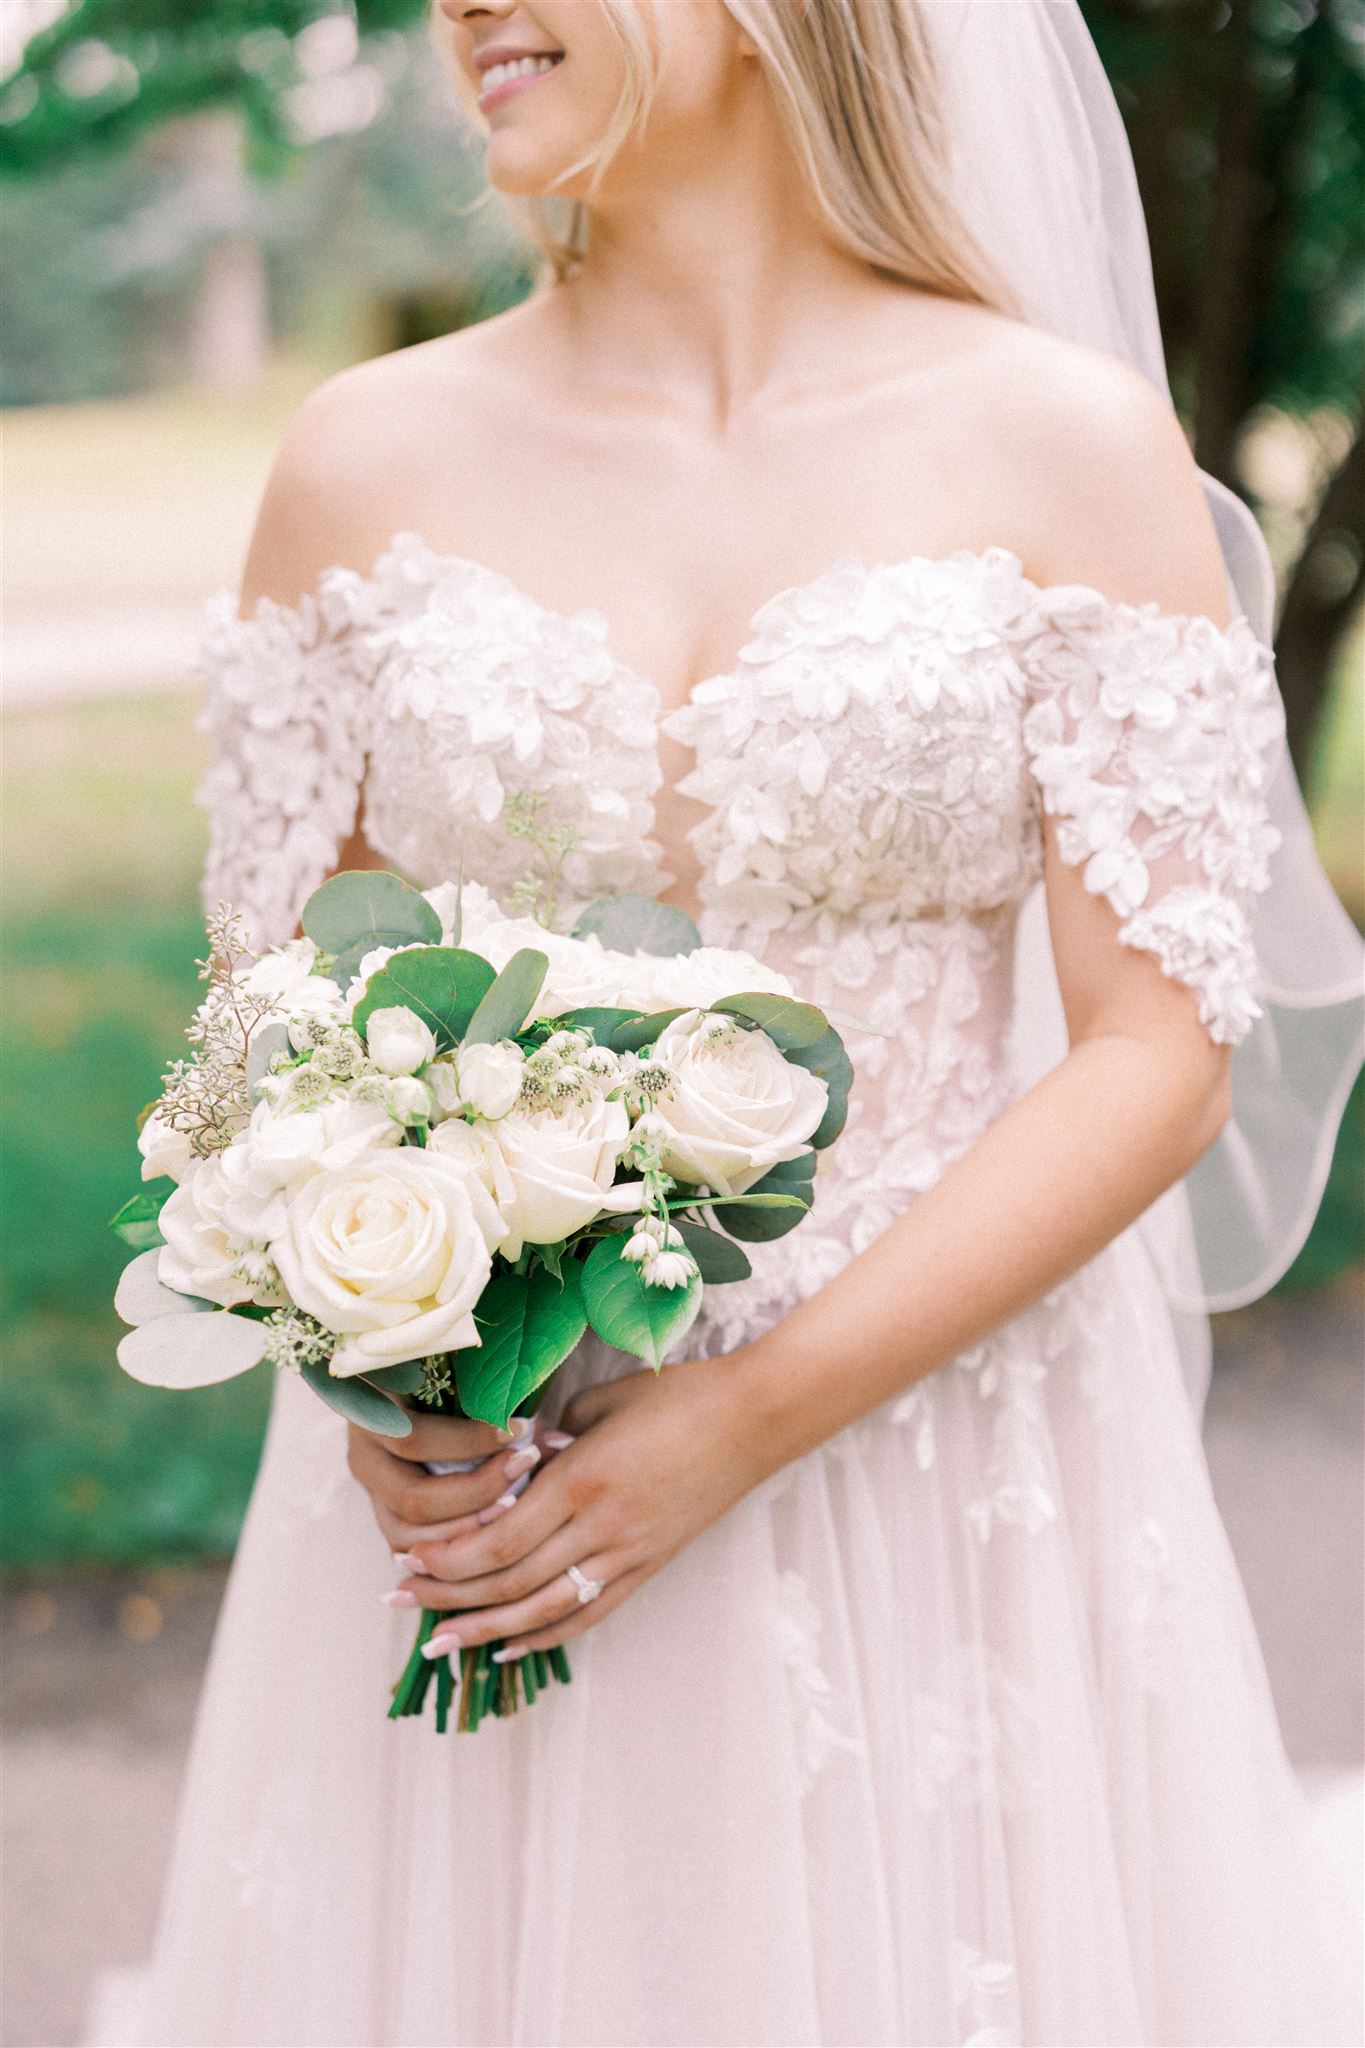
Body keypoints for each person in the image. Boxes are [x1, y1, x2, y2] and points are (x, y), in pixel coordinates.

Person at [128, 3, 1363, 2043]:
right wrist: (381, 1385)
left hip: (934, 1466)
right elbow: (269, 1022)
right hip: (495, 1503)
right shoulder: (363, 456)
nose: (456, 8)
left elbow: (1154, 1049)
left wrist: (736, 1422)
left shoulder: (1054, 439)